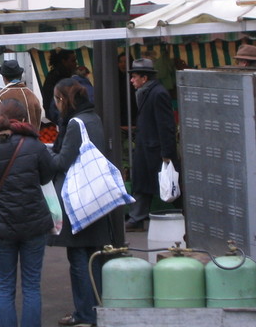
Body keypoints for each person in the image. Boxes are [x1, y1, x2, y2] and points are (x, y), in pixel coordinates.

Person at [0, 98, 55, 327]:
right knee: (31, 285)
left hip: (1, 223)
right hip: (34, 222)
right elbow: (47, 176)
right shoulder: (35, 145)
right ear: (24, 119)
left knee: (5, 285)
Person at [48, 78, 113, 327]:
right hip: (94, 196)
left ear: (63, 100)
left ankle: (85, 314)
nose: (55, 105)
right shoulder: (93, 118)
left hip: (76, 198)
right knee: (93, 256)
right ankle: (95, 310)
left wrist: (45, 152)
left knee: (78, 258)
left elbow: (62, 162)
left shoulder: (75, 124)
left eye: (56, 99)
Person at [126, 58, 179, 232]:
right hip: (148, 148)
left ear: (144, 78)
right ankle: (137, 218)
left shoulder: (158, 93)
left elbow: (166, 125)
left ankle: (189, 213)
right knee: (143, 185)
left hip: (155, 150)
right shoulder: (147, 92)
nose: (132, 80)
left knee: (170, 183)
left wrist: (167, 152)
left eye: (134, 77)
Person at [0, 59, 42, 132]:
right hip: (31, 139)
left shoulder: (1, 96)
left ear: (4, 78)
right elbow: (38, 119)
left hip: (9, 140)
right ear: (20, 76)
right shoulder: (32, 95)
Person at [41, 49, 78, 123]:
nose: (76, 64)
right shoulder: (57, 78)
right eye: (73, 61)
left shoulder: (56, 76)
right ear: (64, 61)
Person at [117, 53, 137, 127]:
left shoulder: (134, 78)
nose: (123, 64)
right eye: (120, 62)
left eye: (125, 62)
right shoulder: (114, 77)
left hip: (132, 111)